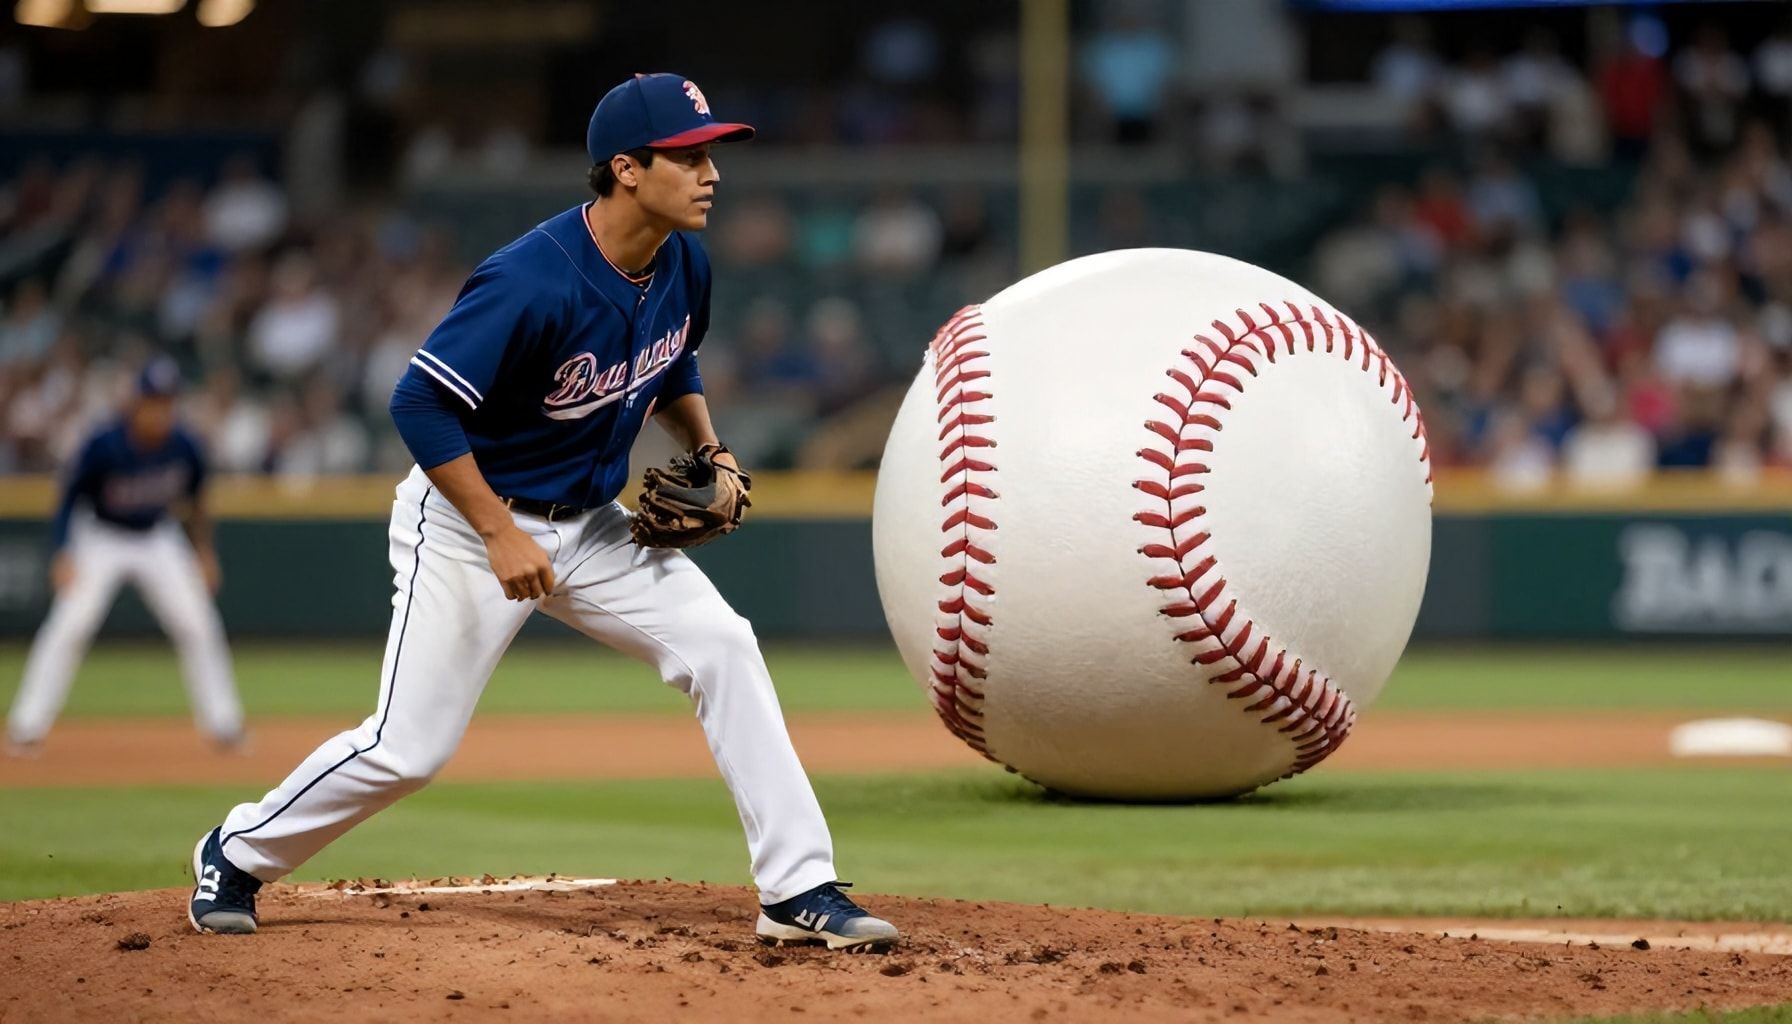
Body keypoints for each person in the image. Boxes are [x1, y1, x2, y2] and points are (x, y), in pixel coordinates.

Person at [186, 74, 900, 953]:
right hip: (465, 521)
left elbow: (673, 364)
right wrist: (496, 530)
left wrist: (713, 451)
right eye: (689, 155)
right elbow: (418, 405)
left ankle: (797, 889)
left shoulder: (683, 260)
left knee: (724, 644)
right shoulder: (530, 277)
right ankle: (236, 850)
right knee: (408, 749)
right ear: (627, 170)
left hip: (593, 523)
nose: (711, 172)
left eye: (712, 152)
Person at [6, 357, 244, 755]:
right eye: (154, 400)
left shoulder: (185, 444)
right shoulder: (104, 444)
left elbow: (198, 501)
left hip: (157, 537)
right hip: (102, 536)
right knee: (71, 625)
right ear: (137, 402)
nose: (161, 410)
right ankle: (27, 724)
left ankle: (224, 724)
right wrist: (64, 550)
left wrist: (204, 551)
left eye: (168, 401)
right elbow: (69, 499)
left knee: (197, 623)